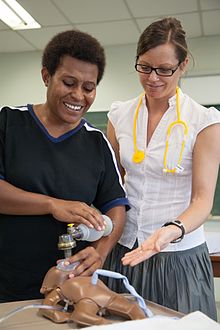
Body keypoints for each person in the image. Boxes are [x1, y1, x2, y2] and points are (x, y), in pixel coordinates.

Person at [104, 17, 220, 320]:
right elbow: (114, 183)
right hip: (125, 250)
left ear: (183, 66)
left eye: (165, 70)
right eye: (144, 67)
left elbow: (202, 200)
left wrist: (171, 230)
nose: (153, 78)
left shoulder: (204, 122)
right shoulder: (119, 115)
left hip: (177, 256)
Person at [0, 29, 129, 303]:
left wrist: (101, 250)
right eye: (69, 83)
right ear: (46, 76)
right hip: (6, 284)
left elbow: (116, 207)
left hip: (71, 289)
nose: (78, 96)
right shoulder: (8, 124)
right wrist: (51, 205)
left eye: (88, 87)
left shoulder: (97, 143)